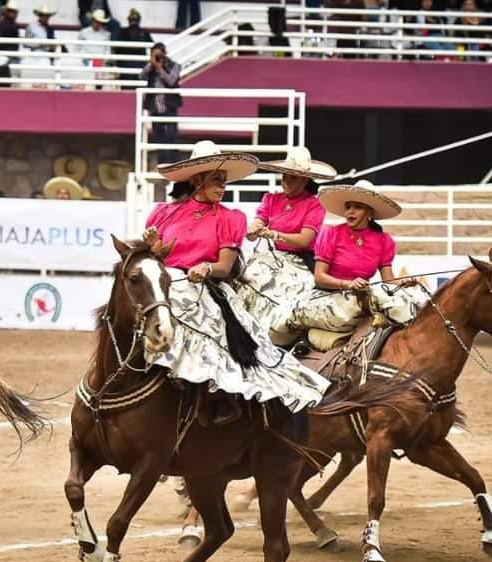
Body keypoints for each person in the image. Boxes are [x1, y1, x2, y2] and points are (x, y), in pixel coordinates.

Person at [143, 140, 332, 425]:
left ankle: (211, 393)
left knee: (218, 329)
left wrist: (205, 268)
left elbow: (225, 266)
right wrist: (152, 246)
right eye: (216, 179)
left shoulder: (230, 218)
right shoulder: (163, 212)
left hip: (203, 286)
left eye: (224, 180)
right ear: (197, 179)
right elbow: (154, 257)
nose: (223, 186)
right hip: (165, 283)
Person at [268, 180, 427, 347]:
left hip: (360, 299)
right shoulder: (331, 233)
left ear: (369, 212)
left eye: (357, 207)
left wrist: (403, 282)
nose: (350, 211)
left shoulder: (384, 241)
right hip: (327, 297)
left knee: (408, 297)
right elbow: (319, 278)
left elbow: (388, 281)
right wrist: (348, 284)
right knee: (285, 316)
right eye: (348, 206)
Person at [236, 147, 337, 330]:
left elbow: (305, 240)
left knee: (299, 290)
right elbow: (256, 226)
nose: (286, 181)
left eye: (293, 177)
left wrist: (275, 235)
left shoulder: (314, 204)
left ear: (305, 179)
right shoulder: (271, 199)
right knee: (246, 277)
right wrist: (253, 230)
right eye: (284, 176)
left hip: (302, 260)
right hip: (273, 257)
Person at [140, 42, 181, 165]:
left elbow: (171, 81)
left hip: (169, 107)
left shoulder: (174, 66)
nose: (157, 57)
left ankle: (173, 163)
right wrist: (151, 64)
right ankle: (162, 163)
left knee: (171, 135)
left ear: (164, 53)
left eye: (159, 54)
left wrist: (160, 69)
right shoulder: (150, 66)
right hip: (155, 107)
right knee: (158, 136)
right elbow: (141, 76)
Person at [113, 8, 151, 80]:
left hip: (125, 66)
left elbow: (116, 49)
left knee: (126, 89)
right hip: (140, 66)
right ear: (139, 20)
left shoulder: (122, 32)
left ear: (128, 20)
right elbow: (153, 47)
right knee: (140, 88)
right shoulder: (144, 33)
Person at [24, 5, 57, 85]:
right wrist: (40, 45)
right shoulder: (31, 26)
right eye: (43, 15)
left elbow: (52, 43)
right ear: (39, 16)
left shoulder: (50, 29)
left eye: (47, 16)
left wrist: (53, 46)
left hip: (46, 56)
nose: (45, 18)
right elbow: (26, 43)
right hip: (34, 55)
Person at [78, 8, 111, 85]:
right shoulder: (84, 32)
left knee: (99, 83)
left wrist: (104, 61)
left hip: (100, 63)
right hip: (85, 63)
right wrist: (82, 60)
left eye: (100, 22)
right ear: (92, 20)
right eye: (96, 21)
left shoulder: (106, 34)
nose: (97, 23)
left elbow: (107, 50)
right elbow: (77, 48)